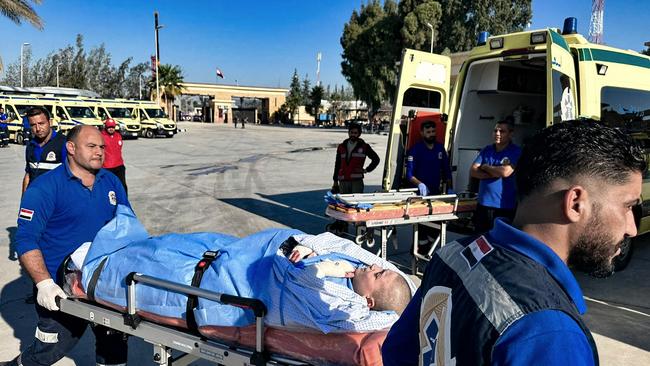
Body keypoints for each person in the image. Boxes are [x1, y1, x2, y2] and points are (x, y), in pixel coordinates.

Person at [382, 120, 646, 366]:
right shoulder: (548, 332)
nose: (632, 229)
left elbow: (396, 351)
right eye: (628, 207)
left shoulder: (452, 253)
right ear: (576, 203)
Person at [77, 215, 413, 333]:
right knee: (182, 243)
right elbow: (340, 244)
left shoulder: (343, 306)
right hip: (253, 249)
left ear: (367, 301)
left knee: (162, 265)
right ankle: (121, 241)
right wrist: (317, 248)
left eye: (379, 275)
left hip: (246, 282)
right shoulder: (360, 269)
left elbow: (296, 274)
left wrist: (321, 264)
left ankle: (94, 265)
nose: (377, 266)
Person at [1, 125, 131, 366]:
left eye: (101, 146)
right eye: (91, 146)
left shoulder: (111, 182)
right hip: (61, 288)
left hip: (103, 285)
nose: (99, 152)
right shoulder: (44, 188)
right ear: (70, 148)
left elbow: (126, 228)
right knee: (48, 351)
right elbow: (26, 239)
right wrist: (44, 284)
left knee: (113, 348)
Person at [405, 120, 453, 253]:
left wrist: (450, 187)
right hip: (420, 194)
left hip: (436, 194)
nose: (431, 134)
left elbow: (446, 170)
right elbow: (409, 174)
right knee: (422, 227)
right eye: (428, 132)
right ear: (422, 133)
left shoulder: (439, 148)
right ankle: (419, 251)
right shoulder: (415, 150)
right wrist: (419, 183)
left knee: (438, 225)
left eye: (433, 131)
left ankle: (424, 249)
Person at [470, 118, 521, 233]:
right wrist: (495, 173)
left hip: (504, 207)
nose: (497, 134)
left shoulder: (516, 151)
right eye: (495, 131)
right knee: (480, 239)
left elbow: (505, 172)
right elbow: (473, 171)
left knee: (500, 241)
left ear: (510, 134)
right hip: (483, 205)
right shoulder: (487, 150)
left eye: (502, 131)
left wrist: (485, 167)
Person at [22, 106, 67, 194]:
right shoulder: (31, 146)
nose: (38, 129)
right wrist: (24, 201)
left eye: (41, 123)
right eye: (33, 125)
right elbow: (28, 175)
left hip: (56, 200)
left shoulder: (64, 144)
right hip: (35, 199)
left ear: (50, 122)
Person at [332, 123, 380, 194]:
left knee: (355, 202)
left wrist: (367, 170)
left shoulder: (364, 147)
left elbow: (376, 159)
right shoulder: (341, 147)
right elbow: (337, 164)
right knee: (344, 204)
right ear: (348, 133)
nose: (353, 135)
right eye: (351, 132)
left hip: (356, 181)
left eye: (355, 133)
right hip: (343, 181)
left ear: (359, 134)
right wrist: (335, 180)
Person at [101, 118, 128, 193]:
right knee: (108, 187)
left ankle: (123, 202)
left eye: (112, 127)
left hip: (119, 166)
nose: (111, 129)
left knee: (122, 186)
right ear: (106, 127)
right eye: (109, 127)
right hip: (107, 167)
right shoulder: (101, 136)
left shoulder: (118, 135)